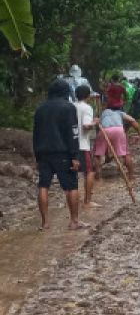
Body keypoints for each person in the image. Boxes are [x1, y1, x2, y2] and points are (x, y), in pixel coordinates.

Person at [32, 78, 86, 231]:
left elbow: (35, 134)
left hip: (43, 153)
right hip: (63, 152)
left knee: (43, 185)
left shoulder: (40, 109)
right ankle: (74, 221)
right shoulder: (68, 108)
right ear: (66, 92)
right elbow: (73, 133)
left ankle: (45, 223)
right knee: (71, 186)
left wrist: (37, 156)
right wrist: (75, 156)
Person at [95, 105, 140, 183]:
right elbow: (132, 120)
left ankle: (98, 176)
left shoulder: (104, 113)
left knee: (97, 154)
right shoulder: (120, 113)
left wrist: (107, 156)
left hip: (104, 130)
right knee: (126, 154)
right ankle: (131, 176)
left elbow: (98, 125)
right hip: (118, 130)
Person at [73, 84, 99, 208]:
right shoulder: (87, 108)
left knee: (73, 173)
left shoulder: (71, 106)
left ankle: (73, 201)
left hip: (70, 144)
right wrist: (95, 122)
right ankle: (87, 201)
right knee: (90, 171)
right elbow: (86, 126)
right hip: (82, 144)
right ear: (88, 96)